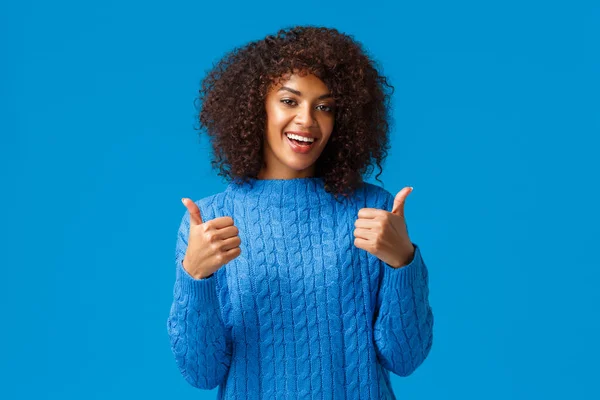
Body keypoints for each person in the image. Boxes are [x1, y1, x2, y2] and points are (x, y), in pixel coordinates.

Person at [167, 25, 434, 400]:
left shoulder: (373, 211)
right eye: (289, 101)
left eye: (324, 107)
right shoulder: (211, 220)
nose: (307, 120)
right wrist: (195, 276)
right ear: (255, 106)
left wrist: (403, 264)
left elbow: (405, 358)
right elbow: (201, 372)